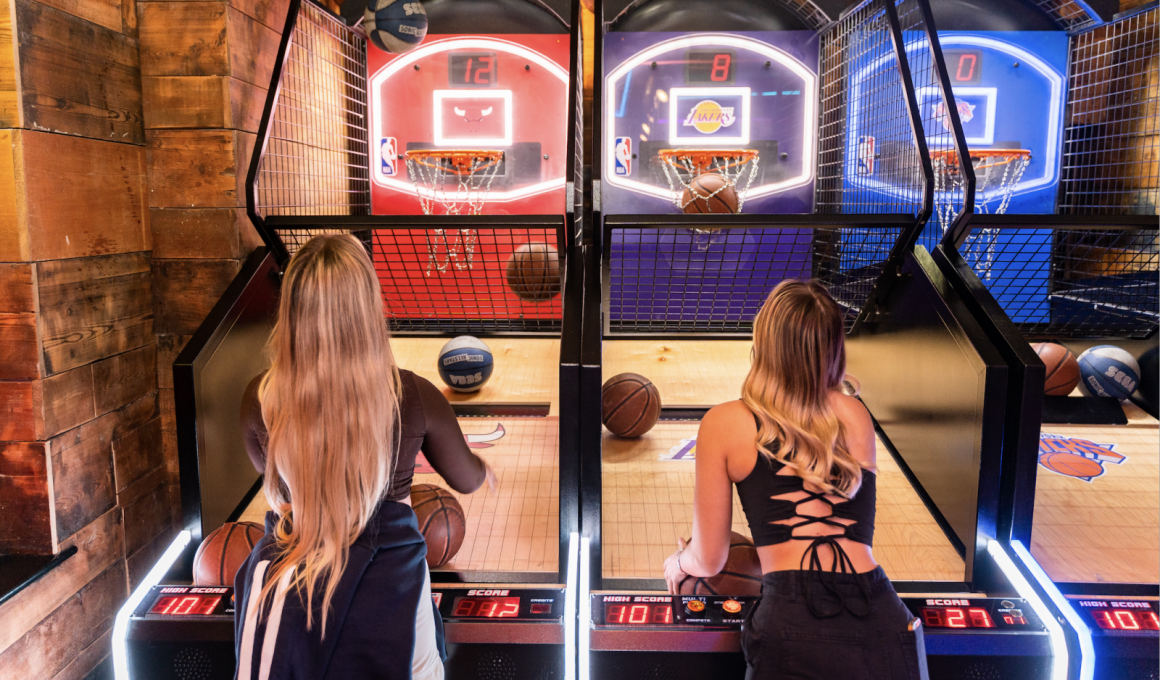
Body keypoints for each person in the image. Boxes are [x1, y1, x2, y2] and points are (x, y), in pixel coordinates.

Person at [233, 235, 495, 680]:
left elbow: (273, 481)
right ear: (369, 309)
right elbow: (466, 479)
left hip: (294, 593)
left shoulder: (258, 398)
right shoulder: (413, 395)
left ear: (290, 312)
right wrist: (484, 469)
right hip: (392, 590)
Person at [663, 280, 922, 680]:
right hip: (880, 612)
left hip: (791, 619)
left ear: (763, 342)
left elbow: (710, 559)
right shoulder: (855, 415)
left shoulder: (725, 422)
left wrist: (678, 561)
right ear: (834, 347)